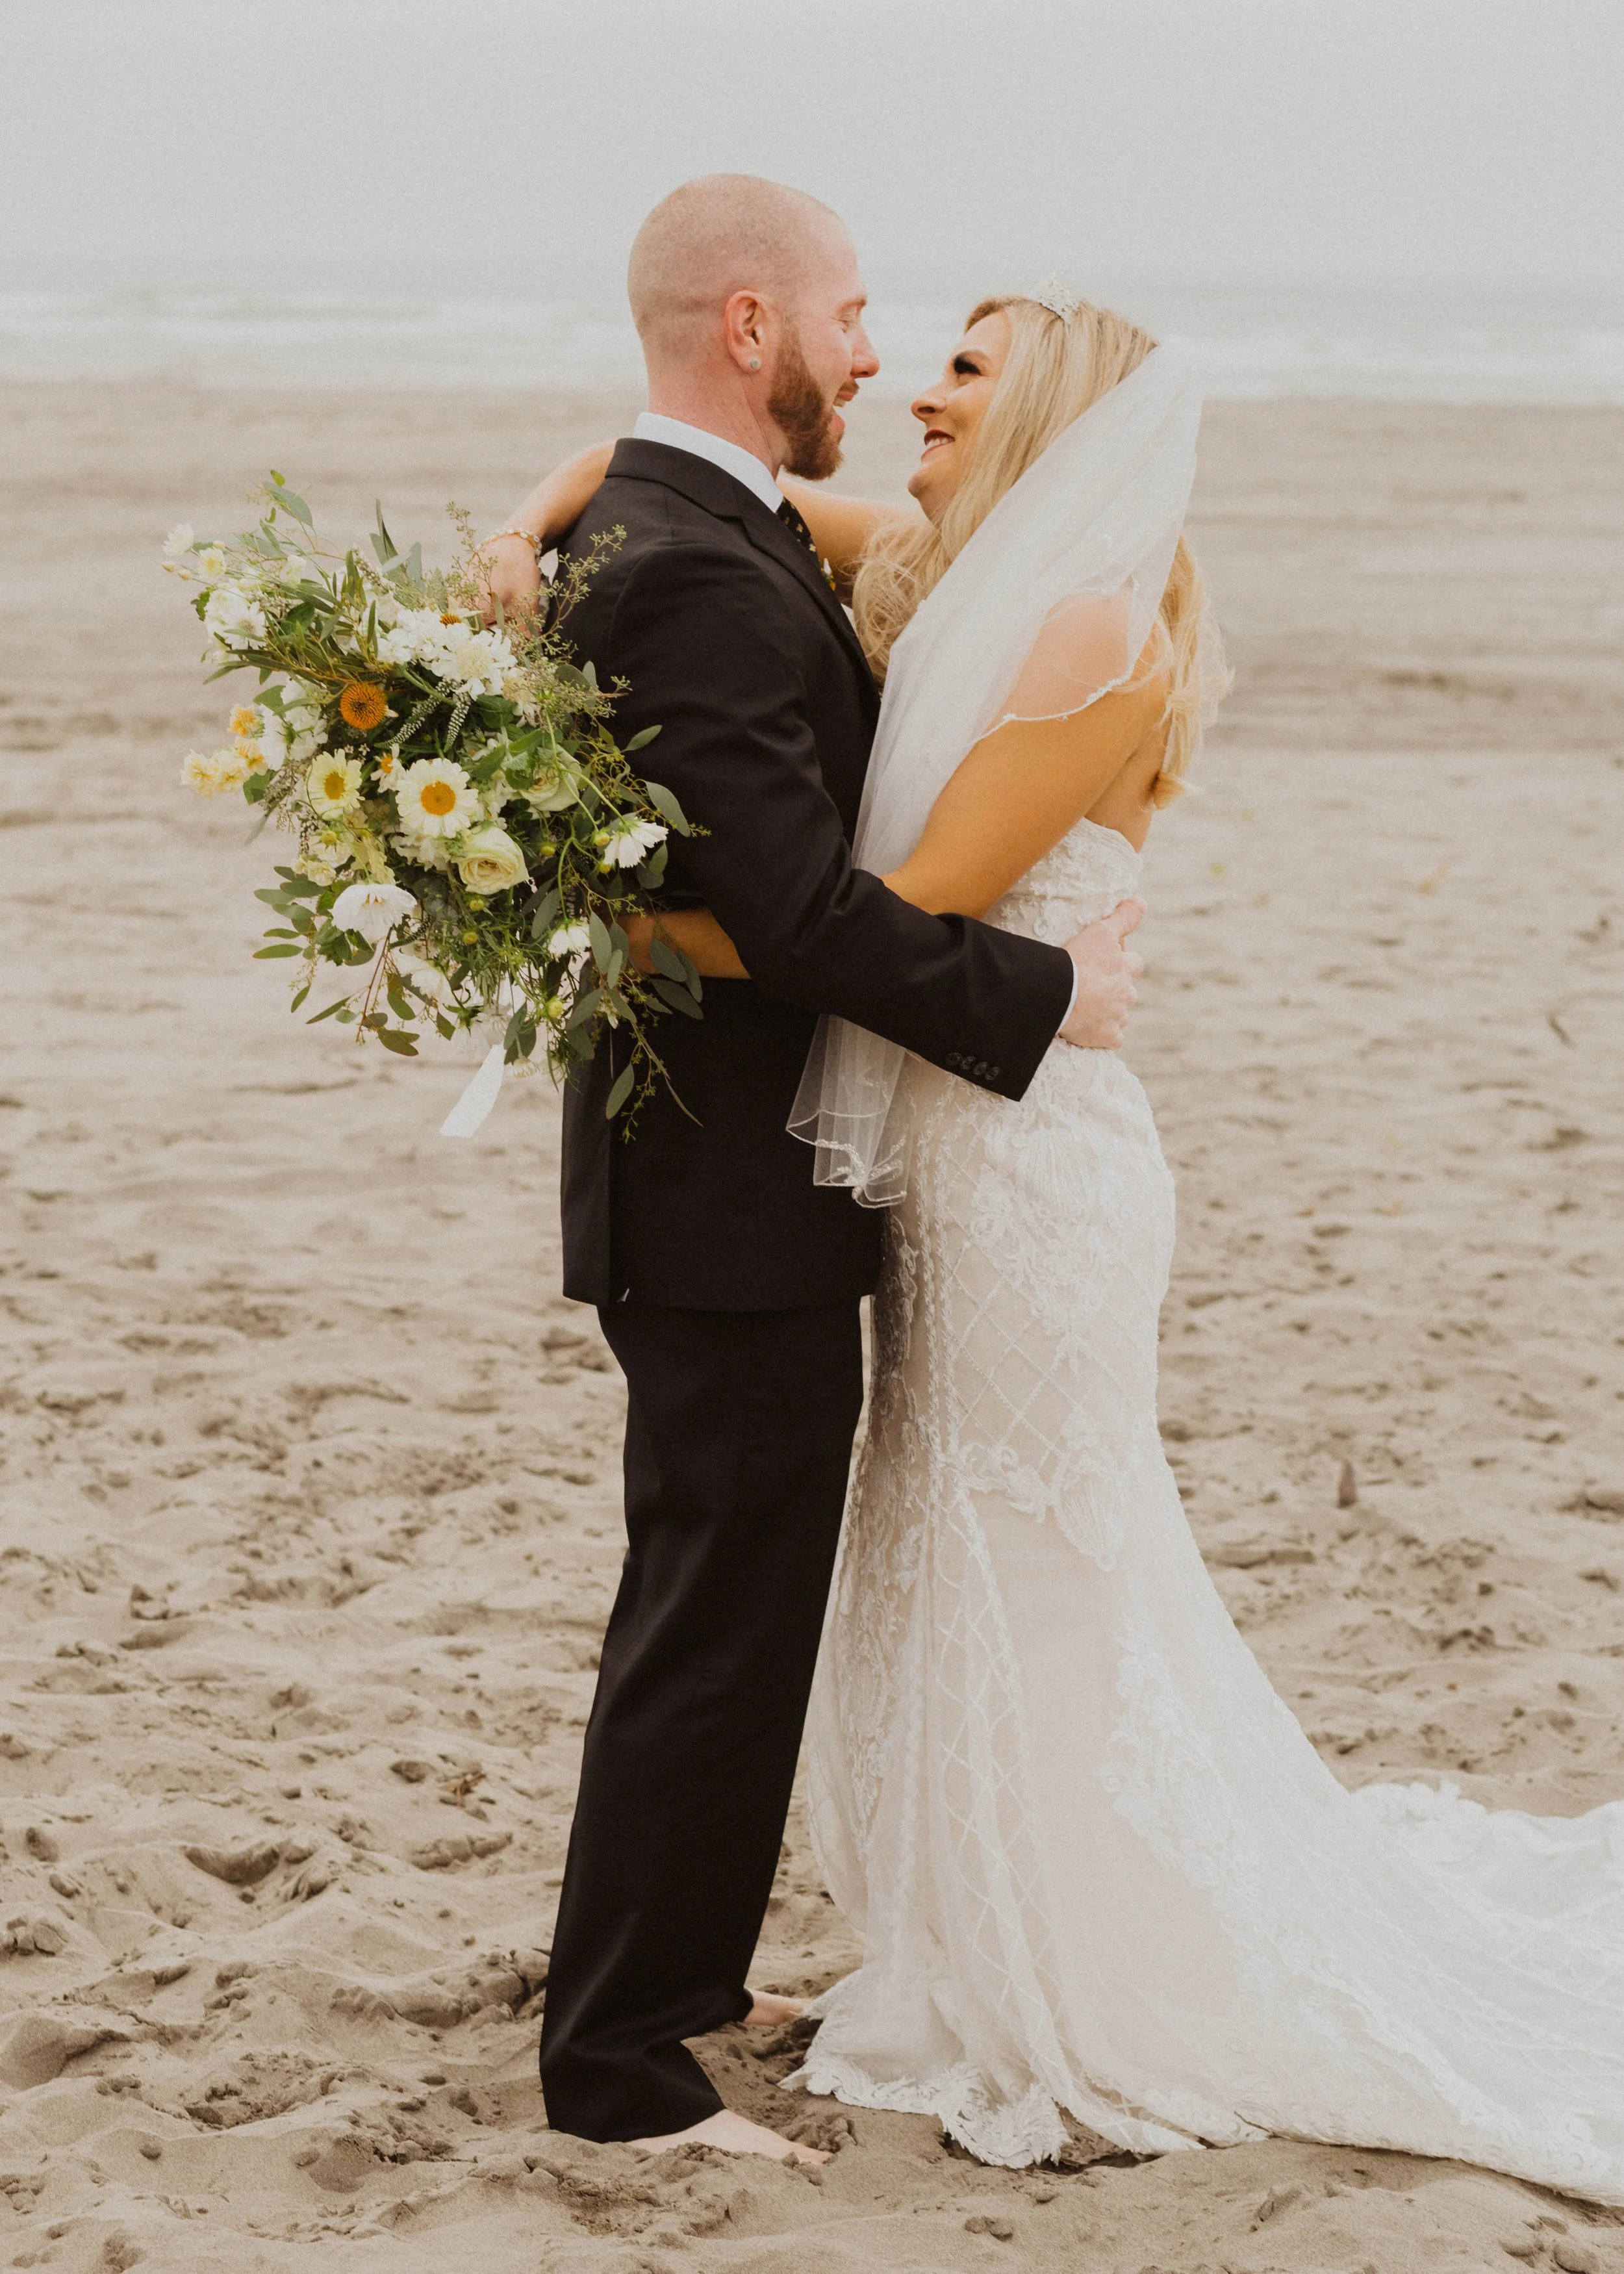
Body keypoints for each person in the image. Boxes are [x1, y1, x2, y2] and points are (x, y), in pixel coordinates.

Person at [517, 285, 1624, 2205]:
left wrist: (633, 939)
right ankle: (937, 1926)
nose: (913, 394)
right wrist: (529, 528)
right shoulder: (957, 557)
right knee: (932, 1538)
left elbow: (882, 906)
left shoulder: (1096, 618)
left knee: (1037, 1548)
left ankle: (1082, 1946)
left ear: (1061, 417)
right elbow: (658, 483)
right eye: (911, 351)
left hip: (1031, 1171)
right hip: (933, 1154)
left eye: (961, 370)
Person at [480, 176, 1145, 2164]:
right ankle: (615, 2067)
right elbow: (782, 905)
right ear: (753, 325)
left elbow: (741, 876)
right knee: (708, 1607)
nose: (878, 354)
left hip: (739, 1179)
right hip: (714, 1187)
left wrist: (524, 511)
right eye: (860, 319)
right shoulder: (686, 561)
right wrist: (1032, 996)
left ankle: (682, 1976)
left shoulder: (698, 516)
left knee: (743, 1594)